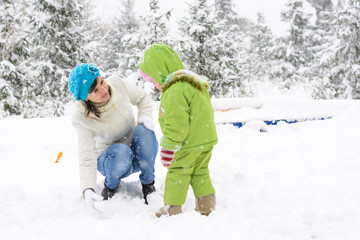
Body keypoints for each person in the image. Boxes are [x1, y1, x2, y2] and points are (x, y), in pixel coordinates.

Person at [138, 43, 218, 217]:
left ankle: (171, 210)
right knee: (200, 172)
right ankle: (207, 206)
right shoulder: (194, 84)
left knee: (177, 173)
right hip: (205, 140)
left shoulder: (174, 90)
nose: (156, 85)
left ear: (161, 70)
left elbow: (176, 124)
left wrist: (169, 146)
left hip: (187, 143)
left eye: (154, 80)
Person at [68, 63, 158, 215]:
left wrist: (145, 116)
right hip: (111, 161)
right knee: (121, 151)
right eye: (95, 91)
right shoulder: (81, 118)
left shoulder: (117, 83)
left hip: (137, 154)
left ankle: (148, 184)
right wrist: (88, 189)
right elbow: (86, 156)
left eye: (101, 81)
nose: (104, 89)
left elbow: (142, 97)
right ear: (86, 98)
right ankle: (111, 186)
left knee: (144, 130)